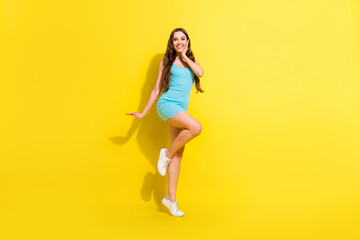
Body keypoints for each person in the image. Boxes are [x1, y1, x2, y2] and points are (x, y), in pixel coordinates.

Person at [126, 28, 204, 217]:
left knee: (178, 155)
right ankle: (166, 153)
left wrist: (185, 57)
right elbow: (155, 90)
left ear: (187, 41)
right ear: (171, 42)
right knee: (196, 128)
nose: (179, 42)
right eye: (175, 39)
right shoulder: (166, 63)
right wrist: (144, 113)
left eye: (182, 39)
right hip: (167, 105)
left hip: (180, 110)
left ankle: (171, 200)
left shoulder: (192, 61)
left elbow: (200, 73)